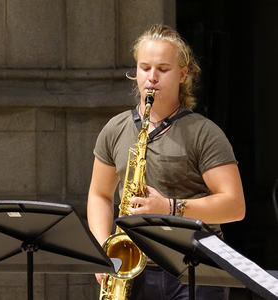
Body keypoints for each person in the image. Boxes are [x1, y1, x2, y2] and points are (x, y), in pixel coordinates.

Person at [87, 24, 246, 300]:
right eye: (145, 68)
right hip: (134, 270)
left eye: (163, 69)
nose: (152, 78)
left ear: (183, 74)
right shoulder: (115, 128)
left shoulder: (204, 133)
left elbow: (234, 206)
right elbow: (100, 194)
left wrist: (169, 207)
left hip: (196, 269)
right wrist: (104, 246)